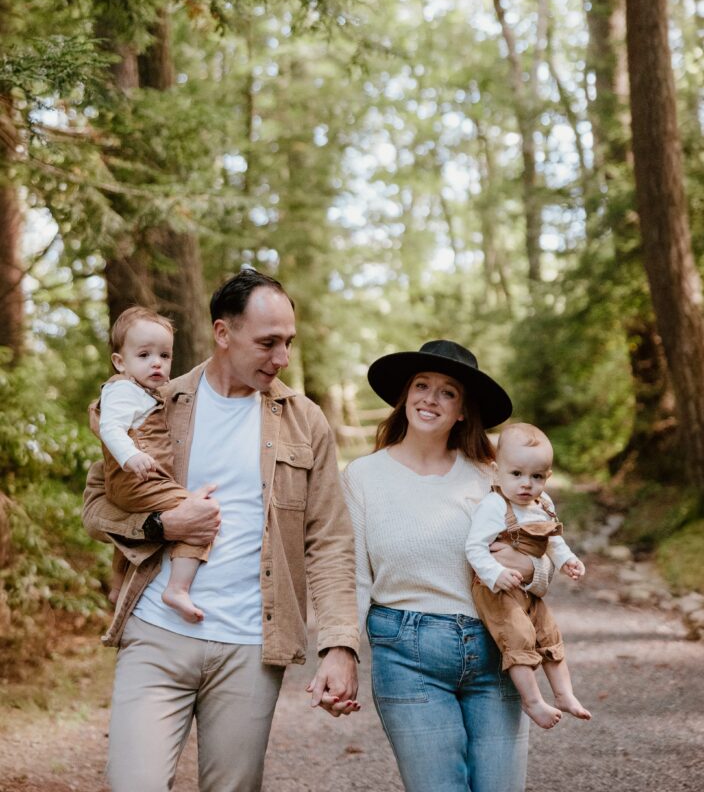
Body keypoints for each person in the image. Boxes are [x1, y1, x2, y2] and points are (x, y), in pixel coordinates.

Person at [82, 269, 360, 792]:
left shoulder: (306, 422)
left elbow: (330, 542)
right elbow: (96, 505)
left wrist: (339, 647)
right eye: (268, 343)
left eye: (289, 343)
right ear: (223, 332)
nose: (282, 359)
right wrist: (163, 523)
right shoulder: (153, 401)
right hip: (156, 634)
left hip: (251, 647)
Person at [343, 339, 553, 792]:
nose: (430, 398)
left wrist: (529, 567)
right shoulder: (363, 477)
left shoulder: (496, 476)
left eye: (447, 391)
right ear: (404, 398)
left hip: (496, 649)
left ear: (462, 410)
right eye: (421, 385)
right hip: (406, 653)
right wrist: (340, 651)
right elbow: (354, 576)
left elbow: (548, 558)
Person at [465, 421, 591, 729]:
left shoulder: (543, 504)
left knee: (548, 633)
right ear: (497, 472)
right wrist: (495, 574)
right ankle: (532, 701)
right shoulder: (494, 505)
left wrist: (567, 560)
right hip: (496, 590)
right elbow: (475, 548)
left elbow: (554, 540)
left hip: (528, 590)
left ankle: (564, 694)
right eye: (517, 474)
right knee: (518, 637)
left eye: (536, 477)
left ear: (547, 477)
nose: (526, 484)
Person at [90, 306, 209, 622]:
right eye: (144, 355)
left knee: (134, 525)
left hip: (134, 483)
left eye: (164, 355)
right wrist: (132, 456)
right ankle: (178, 588)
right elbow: (109, 428)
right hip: (135, 479)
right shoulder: (122, 389)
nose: (156, 362)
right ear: (120, 362)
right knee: (200, 515)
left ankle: (117, 587)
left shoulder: (147, 393)